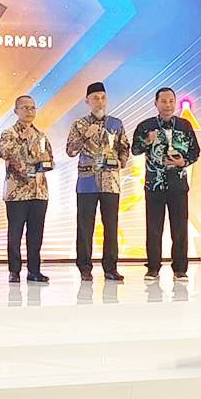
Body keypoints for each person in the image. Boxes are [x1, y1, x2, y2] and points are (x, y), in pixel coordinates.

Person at [132, 87, 200, 282]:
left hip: (178, 186)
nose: (168, 105)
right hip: (154, 185)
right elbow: (135, 150)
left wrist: (183, 162)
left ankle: (180, 269)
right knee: (154, 228)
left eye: (171, 101)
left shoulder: (185, 126)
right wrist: (147, 140)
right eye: (164, 101)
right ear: (156, 103)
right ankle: (153, 267)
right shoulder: (146, 126)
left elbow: (195, 151)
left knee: (179, 228)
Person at [66, 82, 130, 282]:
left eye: (102, 97)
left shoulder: (116, 123)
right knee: (85, 226)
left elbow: (124, 147)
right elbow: (70, 150)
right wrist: (86, 135)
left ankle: (110, 267)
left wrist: (122, 161)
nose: (99, 101)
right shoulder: (79, 124)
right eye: (95, 98)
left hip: (110, 182)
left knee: (111, 225)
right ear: (87, 101)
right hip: (87, 182)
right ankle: (84, 267)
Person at [0, 95, 53, 284]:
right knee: (15, 233)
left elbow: (50, 161)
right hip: (17, 193)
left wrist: (44, 160)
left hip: (39, 191)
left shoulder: (41, 135)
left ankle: (34, 270)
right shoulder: (9, 134)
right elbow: (4, 153)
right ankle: (14, 271)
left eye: (32, 108)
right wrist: (22, 138)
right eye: (25, 108)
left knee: (36, 233)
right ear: (16, 111)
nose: (30, 111)